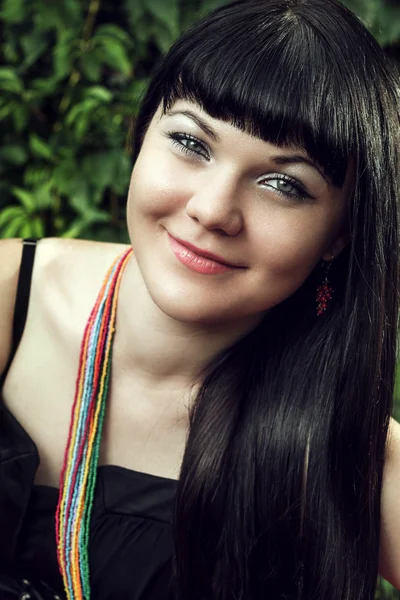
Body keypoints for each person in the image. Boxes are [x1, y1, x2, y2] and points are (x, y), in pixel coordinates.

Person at [1, 0, 400, 598]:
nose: (212, 210)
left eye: (283, 184)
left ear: (340, 234)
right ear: (140, 136)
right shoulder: (11, 292)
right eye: (191, 142)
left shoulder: (348, 443)